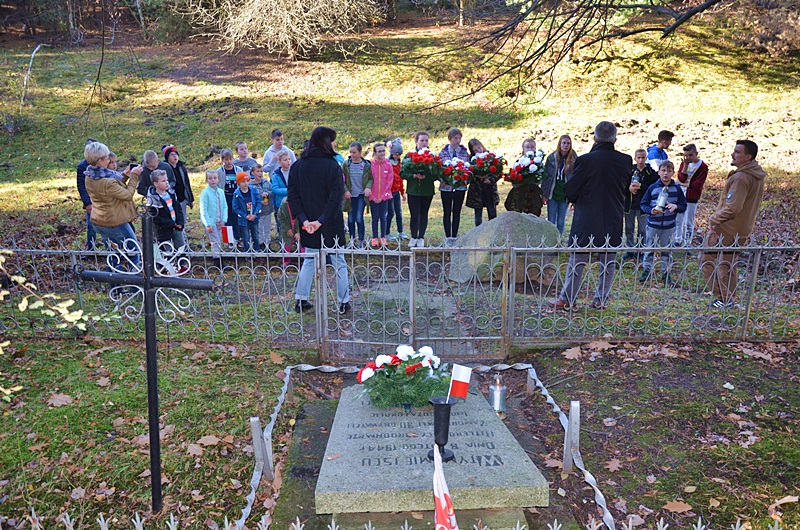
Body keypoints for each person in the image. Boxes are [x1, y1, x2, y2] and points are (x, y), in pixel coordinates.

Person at [548, 122, 631, 310]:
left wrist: (578, 197)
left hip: (587, 216)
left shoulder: (585, 160)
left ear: (594, 138)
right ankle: (600, 300)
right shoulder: (625, 160)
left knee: (578, 259)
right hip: (612, 216)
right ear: (615, 140)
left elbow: (571, 189)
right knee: (608, 261)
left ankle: (567, 298)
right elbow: (625, 188)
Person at [287, 126, 351, 314]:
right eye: (332, 141)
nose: (334, 144)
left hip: (309, 224)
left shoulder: (298, 165)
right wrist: (319, 221)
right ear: (326, 142)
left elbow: (293, 197)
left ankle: (301, 299)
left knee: (310, 260)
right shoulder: (332, 165)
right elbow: (335, 198)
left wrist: (306, 220)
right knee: (338, 261)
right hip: (329, 222)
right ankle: (343, 301)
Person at [702, 140, 766, 309]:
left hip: (727, 228)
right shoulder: (755, 174)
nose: (733, 154)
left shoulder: (741, 178)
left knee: (707, 260)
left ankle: (723, 298)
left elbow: (733, 208)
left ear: (748, 157)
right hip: (742, 228)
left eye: (737, 152)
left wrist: (714, 219)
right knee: (728, 263)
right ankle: (728, 299)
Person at [83, 141, 143, 268]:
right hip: (115, 222)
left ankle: (114, 280)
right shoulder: (107, 181)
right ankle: (134, 279)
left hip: (100, 221)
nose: (109, 160)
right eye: (107, 158)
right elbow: (127, 195)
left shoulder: (89, 175)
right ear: (100, 161)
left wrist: (124, 176)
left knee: (113, 255)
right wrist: (134, 176)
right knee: (134, 252)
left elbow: (110, 189)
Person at [638, 161, 687, 285]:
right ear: (659, 172)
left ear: (673, 173)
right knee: (650, 249)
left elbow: (683, 205)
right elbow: (643, 204)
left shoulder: (676, 189)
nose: (666, 173)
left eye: (669, 171)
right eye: (663, 170)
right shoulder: (652, 188)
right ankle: (647, 271)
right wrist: (651, 211)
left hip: (669, 226)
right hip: (653, 225)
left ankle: (666, 273)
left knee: (667, 251)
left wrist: (676, 206)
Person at [402, 131, 437, 248]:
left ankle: (421, 237)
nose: (424, 143)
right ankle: (414, 236)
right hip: (413, 190)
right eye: (422, 140)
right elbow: (402, 172)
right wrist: (413, 176)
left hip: (427, 190)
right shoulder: (410, 156)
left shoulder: (432, 156)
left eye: (426, 140)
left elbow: (437, 174)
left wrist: (427, 176)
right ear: (416, 141)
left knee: (423, 214)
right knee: (414, 214)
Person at [623, 149, 659, 259]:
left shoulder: (650, 172)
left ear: (646, 158)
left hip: (643, 206)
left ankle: (640, 249)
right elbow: (622, 184)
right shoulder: (629, 170)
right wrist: (629, 188)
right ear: (635, 158)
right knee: (629, 228)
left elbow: (654, 187)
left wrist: (641, 186)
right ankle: (630, 249)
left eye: (643, 157)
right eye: (638, 158)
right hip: (630, 205)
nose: (641, 160)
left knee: (642, 229)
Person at [438, 127, 470, 246]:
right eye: (455, 138)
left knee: (457, 211)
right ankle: (448, 237)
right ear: (450, 139)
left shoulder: (464, 152)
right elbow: (440, 168)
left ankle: (454, 237)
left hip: (460, 187)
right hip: (446, 187)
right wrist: (444, 179)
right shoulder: (443, 152)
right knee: (447, 211)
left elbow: (466, 168)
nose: (458, 141)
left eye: (459, 138)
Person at [674, 143, 708, 247]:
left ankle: (687, 242)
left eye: (691, 155)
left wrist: (684, 184)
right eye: (686, 155)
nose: (688, 158)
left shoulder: (703, 167)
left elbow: (697, 184)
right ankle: (677, 240)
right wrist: (685, 166)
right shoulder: (684, 163)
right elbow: (681, 178)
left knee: (688, 221)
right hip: (681, 195)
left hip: (692, 197)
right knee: (678, 219)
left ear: (696, 154)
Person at [542, 135, 577, 235]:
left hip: (564, 194)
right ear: (560, 144)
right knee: (551, 219)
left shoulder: (574, 159)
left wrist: (574, 197)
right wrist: (544, 194)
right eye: (564, 143)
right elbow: (546, 177)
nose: (566, 145)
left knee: (561, 220)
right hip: (553, 192)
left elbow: (575, 179)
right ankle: (550, 239)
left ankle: (558, 239)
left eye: (568, 143)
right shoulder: (551, 158)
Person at [505, 138, 545, 216]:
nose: (530, 149)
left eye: (532, 147)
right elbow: (514, 176)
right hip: (520, 192)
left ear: (535, 148)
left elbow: (541, 178)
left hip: (533, 193)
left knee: (533, 214)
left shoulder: (538, 162)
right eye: (527, 147)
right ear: (523, 148)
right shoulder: (519, 161)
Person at [365, 142, 394, 247]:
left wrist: (383, 196)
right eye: (379, 151)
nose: (382, 153)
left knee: (383, 217)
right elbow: (367, 180)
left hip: (384, 197)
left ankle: (383, 237)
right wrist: (372, 196)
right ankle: (374, 237)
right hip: (373, 197)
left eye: (383, 151)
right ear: (375, 153)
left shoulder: (388, 165)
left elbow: (389, 182)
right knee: (375, 217)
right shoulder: (370, 165)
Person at [163, 145, 194, 243]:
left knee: (182, 218)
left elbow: (186, 183)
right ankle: (174, 239)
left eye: (176, 154)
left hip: (182, 197)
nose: (175, 156)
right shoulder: (166, 168)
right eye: (172, 155)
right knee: (173, 219)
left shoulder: (181, 167)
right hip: (171, 198)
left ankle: (182, 238)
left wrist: (190, 198)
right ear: (167, 157)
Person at [465, 139, 500, 226]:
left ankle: (492, 230)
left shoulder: (491, 156)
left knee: (492, 212)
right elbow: (470, 174)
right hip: (477, 190)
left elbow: (498, 172)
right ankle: (479, 231)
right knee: (478, 214)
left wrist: (490, 180)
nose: (479, 150)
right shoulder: (471, 159)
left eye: (479, 147)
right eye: (475, 150)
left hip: (490, 189)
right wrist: (478, 178)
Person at [343, 142, 371, 248]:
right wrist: (346, 190)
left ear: (360, 152)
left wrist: (368, 187)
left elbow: (371, 178)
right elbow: (341, 179)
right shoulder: (346, 164)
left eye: (354, 152)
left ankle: (361, 240)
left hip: (361, 195)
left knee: (359, 218)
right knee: (350, 219)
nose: (352, 154)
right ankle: (352, 239)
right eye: (350, 152)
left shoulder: (366, 165)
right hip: (350, 196)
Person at [216, 148, 243, 245]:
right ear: (222, 160)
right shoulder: (219, 171)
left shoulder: (238, 170)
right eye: (226, 159)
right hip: (225, 197)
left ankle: (238, 237)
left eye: (230, 159)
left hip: (236, 197)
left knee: (237, 216)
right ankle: (229, 240)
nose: (229, 162)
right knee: (226, 217)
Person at [77, 138, 99, 251]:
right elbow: (81, 186)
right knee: (91, 225)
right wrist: (87, 203)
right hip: (91, 199)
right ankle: (91, 248)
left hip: (103, 197)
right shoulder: (82, 166)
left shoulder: (103, 162)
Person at [200, 169, 228, 256]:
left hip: (219, 221)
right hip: (211, 222)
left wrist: (224, 220)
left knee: (219, 239)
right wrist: (207, 224)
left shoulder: (221, 192)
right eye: (210, 178)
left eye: (215, 178)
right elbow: (203, 209)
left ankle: (218, 255)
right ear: (206, 180)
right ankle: (217, 258)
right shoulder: (205, 193)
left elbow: (224, 206)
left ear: (218, 179)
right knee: (215, 241)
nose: (213, 180)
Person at [233, 171, 262, 252]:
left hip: (254, 217)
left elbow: (258, 202)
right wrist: (245, 215)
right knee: (245, 236)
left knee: (255, 235)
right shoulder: (236, 194)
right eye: (243, 181)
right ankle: (247, 252)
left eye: (247, 181)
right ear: (239, 183)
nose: (246, 183)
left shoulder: (254, 190)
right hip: (244, 219)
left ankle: (257, 250)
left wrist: (255, 214)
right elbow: (236, 208)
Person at [385, 138, 407, 241]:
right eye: (396, 154)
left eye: (399, 155)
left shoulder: (399, 163)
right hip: (389, 191)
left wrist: (402, 192)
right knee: (390, 212)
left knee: (399, 212)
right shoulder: (387, 163)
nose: (397, 156)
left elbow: (400, 178)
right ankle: (386, 232)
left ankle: (400, 231)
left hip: (396, 191)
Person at [250, 163, 274, 249]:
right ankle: (260, 244)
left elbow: (273, 191)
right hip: (258, 212)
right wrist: (260, 201)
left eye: (261, 171)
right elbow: (251, 199)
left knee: (267, 228)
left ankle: (267, 243)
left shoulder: (266, 182)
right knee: (259, 228)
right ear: (252, 173)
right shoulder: (251, 186)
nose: (260, 173)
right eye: (257, 171)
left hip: (268, 209)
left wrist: (267, 194)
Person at [271, 150, 293, 241]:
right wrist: (289, 191)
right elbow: (275, 189)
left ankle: (294, 241)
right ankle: (282, 241)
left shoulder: (294, 171)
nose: (288, 161)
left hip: (293, 202)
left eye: (289, 159)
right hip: (280, 203)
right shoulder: (276, 175)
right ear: (279, 162)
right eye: (285, 160)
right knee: (282, 223)